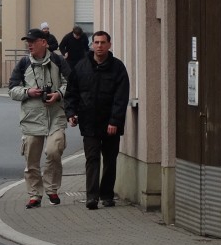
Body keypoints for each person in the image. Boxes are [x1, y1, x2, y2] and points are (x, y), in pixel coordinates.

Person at [65, 31, 130, 209]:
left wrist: (115, 121)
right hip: (89, 122)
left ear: (109, 45)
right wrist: (71, 112)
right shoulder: (81, 67)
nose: (99, 46)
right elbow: (72, 93)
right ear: (92, 45)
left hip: (110, 124)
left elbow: (121, 97)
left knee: (109, 160)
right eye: (96, 42)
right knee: (92, 159)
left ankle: (107, 195)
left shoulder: (118, 68)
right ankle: (92, 197)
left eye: (103, 42)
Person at [8, 28, 71, 209]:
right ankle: (35, 195)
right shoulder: (23, 63)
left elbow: (71, 83)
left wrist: (58, 94)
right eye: (28, 41)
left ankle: (52, 189)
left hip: (55, 115)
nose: (29, 45)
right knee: (31, 160)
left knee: (54, 150)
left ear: (44, 42)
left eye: (33, 41)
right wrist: (28, 92)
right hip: (31, 117)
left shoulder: (58, 61)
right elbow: (12, 89)